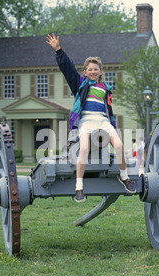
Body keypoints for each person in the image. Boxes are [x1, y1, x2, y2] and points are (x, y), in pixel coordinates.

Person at [46, 33, 136, 202]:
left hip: (103, 120)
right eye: (90, 69)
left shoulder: (105, 88)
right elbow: (68, 69)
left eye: (96, 69)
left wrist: (111, 124)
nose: (93, 72)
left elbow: (108, 110)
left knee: (119, 145)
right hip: (86, 121)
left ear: (101, 72)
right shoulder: (81, 84)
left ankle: (124, 177)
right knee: (85, 149)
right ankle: (79, 187)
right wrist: (58, 50)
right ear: (85, 72)